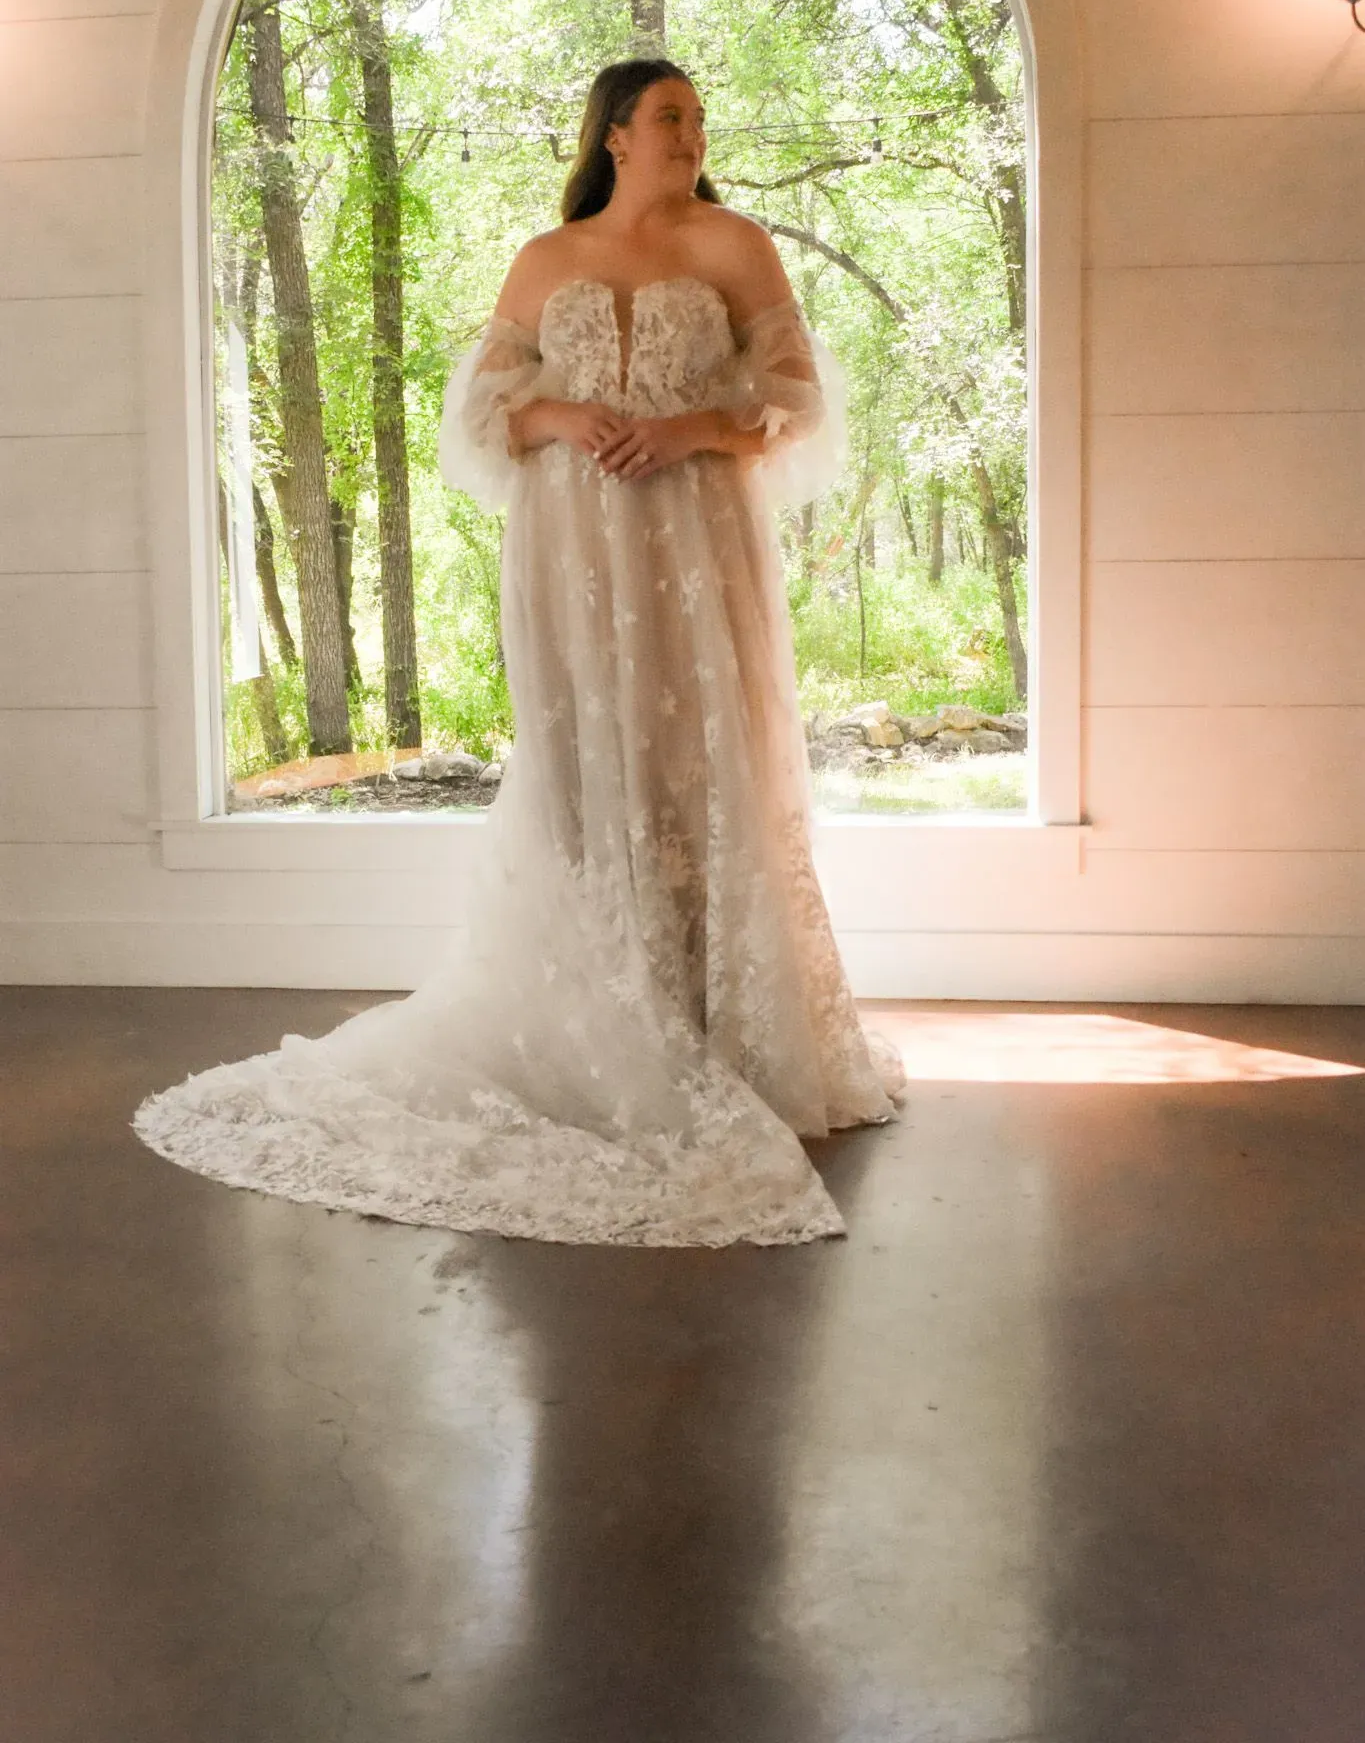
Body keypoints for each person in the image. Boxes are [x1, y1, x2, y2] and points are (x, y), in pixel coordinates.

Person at [131, 56, 908, 1248]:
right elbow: (481, 413)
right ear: (612, 137)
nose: (691, 135)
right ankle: (603, 1018)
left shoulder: (736, 245)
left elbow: (801, 400)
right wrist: (560, 414)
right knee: (584, 763)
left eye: (697, 119)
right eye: (668, 119)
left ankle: (725, 1028)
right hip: (572, 549)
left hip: (698, 546)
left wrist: (689, 427)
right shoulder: (549, 262)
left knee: (708, 763)